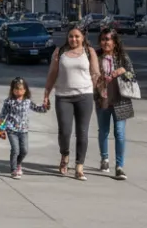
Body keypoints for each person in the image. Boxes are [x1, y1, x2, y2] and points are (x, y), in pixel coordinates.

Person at [42, 26, 100, 180]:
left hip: (84, 96)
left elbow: (95, 74)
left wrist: (97, 90)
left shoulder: (89, 52)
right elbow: (52, 73)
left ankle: (79, 166)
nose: (73, 39)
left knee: (82, 132)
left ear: (83, 37)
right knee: (65, 131)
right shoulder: (60, 52)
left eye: (77, 36)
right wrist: (47, 93)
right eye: (71, 36)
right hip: (63, 96)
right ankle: (65, 155)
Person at [95, 28, 136, 180]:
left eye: (108, 39)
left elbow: (132, 74)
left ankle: (119, 166)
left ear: (114, 41)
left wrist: (121, 71)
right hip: (102, 98)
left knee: (119, 132)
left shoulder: (122, 56)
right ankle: (104, 159)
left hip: (121, 99)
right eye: (103, 39)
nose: (105, 42)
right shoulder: (96, 56)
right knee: (103, 131)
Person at [0, 77, 48, 179]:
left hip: (23, 130)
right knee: (15, 149)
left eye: (21, 89)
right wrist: (0, 128)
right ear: (12, 90)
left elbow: (37, 109)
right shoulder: (9, 102)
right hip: (11, 129)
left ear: (25, 90)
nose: (18, 91)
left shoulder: (27, 101)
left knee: (24, 150)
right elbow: (3, 115)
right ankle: (13, 170)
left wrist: (45, 107)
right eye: (16, 89)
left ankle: (18, 163)